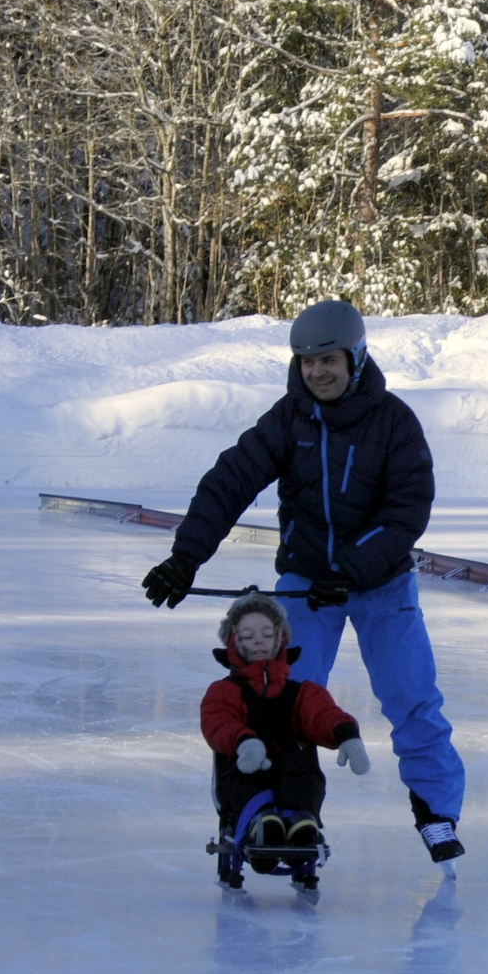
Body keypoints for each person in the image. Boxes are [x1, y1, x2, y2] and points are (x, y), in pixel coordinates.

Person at [142, 299, 465, 869]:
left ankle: (436, 813)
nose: (317, 372)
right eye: (306, 361)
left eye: (329, 360)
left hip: (382, 582)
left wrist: (353, 571)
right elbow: (229, 481)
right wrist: (185, 558)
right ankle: (271, 810)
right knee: (278, 697)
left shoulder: (394, 422)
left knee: (412, 696)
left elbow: (407, 512)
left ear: (356, 359)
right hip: (306, 583)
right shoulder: (288, 419)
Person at [201, 594, 371, 873]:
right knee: (248, 777)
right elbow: (218, 721)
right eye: (248, 635)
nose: (258, 640)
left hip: (290, 766)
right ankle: (260, 823)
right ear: (235, 642)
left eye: (266, 634)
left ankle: (298, 822)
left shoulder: (302, 692)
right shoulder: (224, 691)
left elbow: (323, 714)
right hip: (245, 765)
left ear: (280, 639)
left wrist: (346, 735)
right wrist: (244, 742)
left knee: (302, 768)